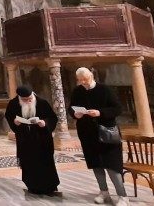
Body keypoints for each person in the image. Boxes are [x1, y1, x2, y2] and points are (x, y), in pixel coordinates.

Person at [68, 67, 128, 206]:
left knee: (112, 166)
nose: (84, 82)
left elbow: (118, 108)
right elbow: (71, 107)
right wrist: (75, 113)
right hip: (87, 134)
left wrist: (100, 112)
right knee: (96, 164)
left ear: (92, 76)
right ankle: (104, 193)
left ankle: (123, 196)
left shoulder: (105, 89)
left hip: (107, 133)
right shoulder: (78, 91)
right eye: (80, 80)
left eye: (86, 79)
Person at [5, 85, 60, 196]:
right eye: (25, 100)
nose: (28, 101)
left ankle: (50, 186)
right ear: (20, 98)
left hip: (42, 139)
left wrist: (44, 123)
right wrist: (15, 123)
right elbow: (9, 117)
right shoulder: (13, 104)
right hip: (25, 139)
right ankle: (32, 186)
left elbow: (52, 118)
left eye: (30, 99)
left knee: (45, 162)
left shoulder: (42, 102)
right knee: (28, 162)